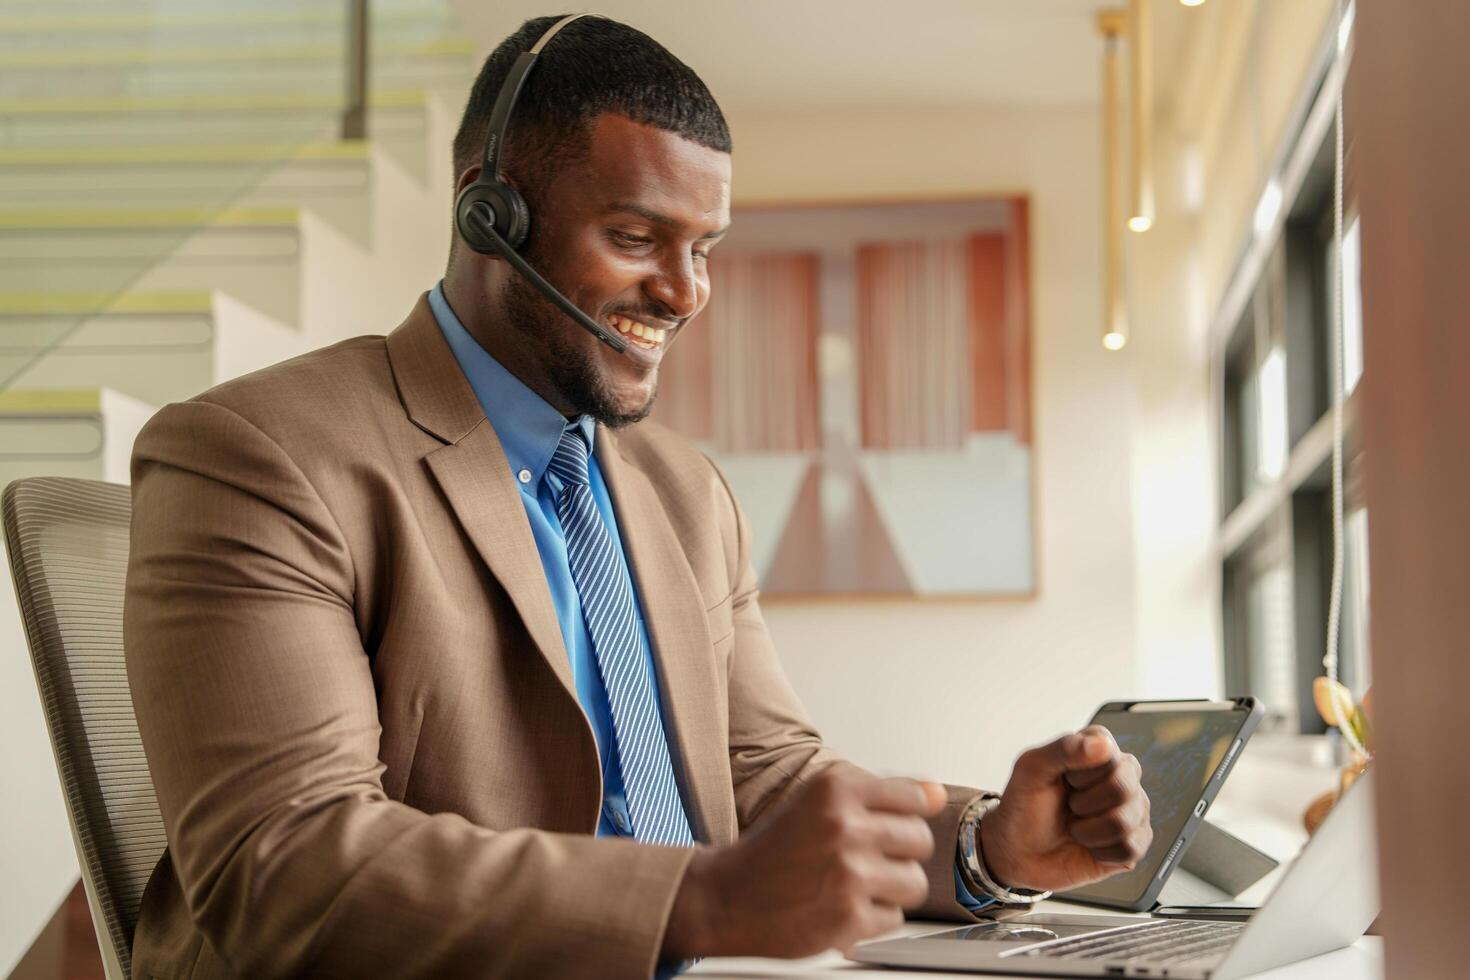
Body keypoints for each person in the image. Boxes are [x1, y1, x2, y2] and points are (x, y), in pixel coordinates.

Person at [123, 14, 1150, 979]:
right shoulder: (259, 455)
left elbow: (769, 781)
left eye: (703, 248)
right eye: (636, 236)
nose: (688, 290)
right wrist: (699, 899)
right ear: (491, 213)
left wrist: (984, 848)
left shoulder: (684, 489)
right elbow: (284, 862)